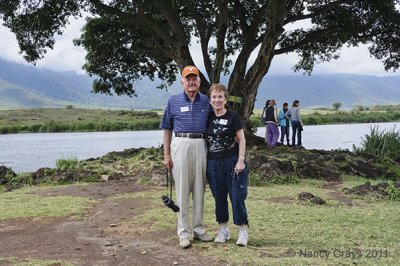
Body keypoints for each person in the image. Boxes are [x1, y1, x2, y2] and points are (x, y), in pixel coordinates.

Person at [160, 65, 213, 249]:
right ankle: (184, 233)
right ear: (182, 81)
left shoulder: (207, 101)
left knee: (199, 189)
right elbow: (167, 129)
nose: (191, 82)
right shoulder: (173, 101)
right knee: (182, 191)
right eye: (188, 79)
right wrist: (166, 155)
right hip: (180, 144)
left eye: (195, 79)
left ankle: (199, 230)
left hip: (200, 144)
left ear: (199, 82)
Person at [205, 83, 249, 247]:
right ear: (210, 100)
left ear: (225, 99)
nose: (217, 100)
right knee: (219, 197)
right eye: (214, 97)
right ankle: (223, 229)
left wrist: (241, 159)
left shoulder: (232, 117)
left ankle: (242, 230)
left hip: (232, 161)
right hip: (213, 163)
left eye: (220, 97)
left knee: (237, 195)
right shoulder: (207, 117)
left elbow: (242, 139)